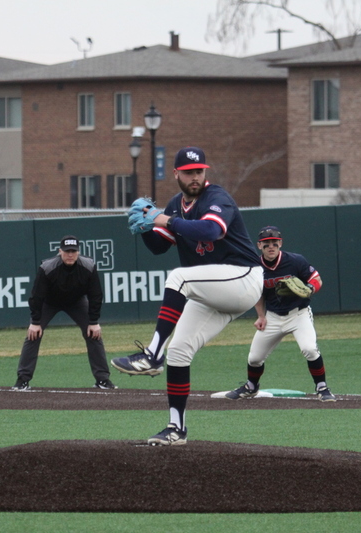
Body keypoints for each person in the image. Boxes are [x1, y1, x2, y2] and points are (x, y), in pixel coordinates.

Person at [110, 146, 263, 446]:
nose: (195, 177)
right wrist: (144, 226)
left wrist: (162, 219)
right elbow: (159, 246)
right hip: (212, 292)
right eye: (189, 172)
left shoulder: (217, 197)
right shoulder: (175, 205)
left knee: (178, 277)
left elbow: (209, 231)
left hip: (243, 278)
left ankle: (152, 355)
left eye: (200, 171)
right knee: (179, 351)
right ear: (177, 174)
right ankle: (176, 429)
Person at [222, 226, 336, 402]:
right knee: (254, 358)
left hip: (299, 315)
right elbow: (257, 294)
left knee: (310, 349)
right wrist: (261, 316)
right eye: (266, 244)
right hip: (273, 316)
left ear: (280, 243)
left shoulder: (296, 261)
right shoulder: (255, 267)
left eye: (274, 243)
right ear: (259, 245)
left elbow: (316, 278)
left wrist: (310, 288)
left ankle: (322, 387)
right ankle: (251, 387)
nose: (271, 247)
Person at [12, 235, 115, 391]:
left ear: (78, 252)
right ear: (60, 251)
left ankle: (102, 380)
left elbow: (96, 295)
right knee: (33, 335)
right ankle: (22, 380)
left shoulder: (88, 266)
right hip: (49, 302)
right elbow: (36, 296)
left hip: (77, 302)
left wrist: (94, 322)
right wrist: (35, 322)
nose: (70, 254)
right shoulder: (48, 267)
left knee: (94, 334)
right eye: (66, 251)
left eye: (73, 251)